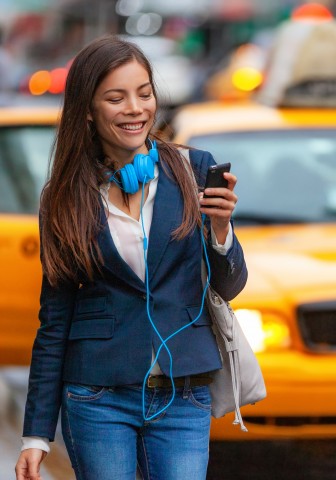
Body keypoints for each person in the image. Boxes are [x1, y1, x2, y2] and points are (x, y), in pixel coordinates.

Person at [15, 34, 247, 480]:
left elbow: (230, 286)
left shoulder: (194, 170)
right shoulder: (63, 198)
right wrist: (36, 435)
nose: (136, 109)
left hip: (184, 395)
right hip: (97, 396)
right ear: (87, 108)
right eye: (116, 98)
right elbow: (54, 320)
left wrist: (221, 232)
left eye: (144, 94)